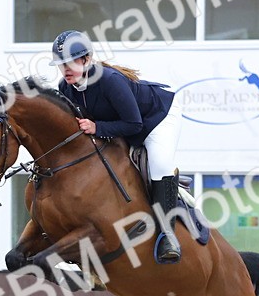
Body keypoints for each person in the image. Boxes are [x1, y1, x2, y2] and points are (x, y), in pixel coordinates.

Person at [49, 29, 186, 262]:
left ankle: (168, 235)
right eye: (61, 64)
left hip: (158, 118)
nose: (65, 69)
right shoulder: (66, 87)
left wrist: (97, 128)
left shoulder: (110, 81)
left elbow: (134, 124)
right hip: (121, 123)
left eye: (70, 62)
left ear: (85, 59)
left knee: (160, 164)